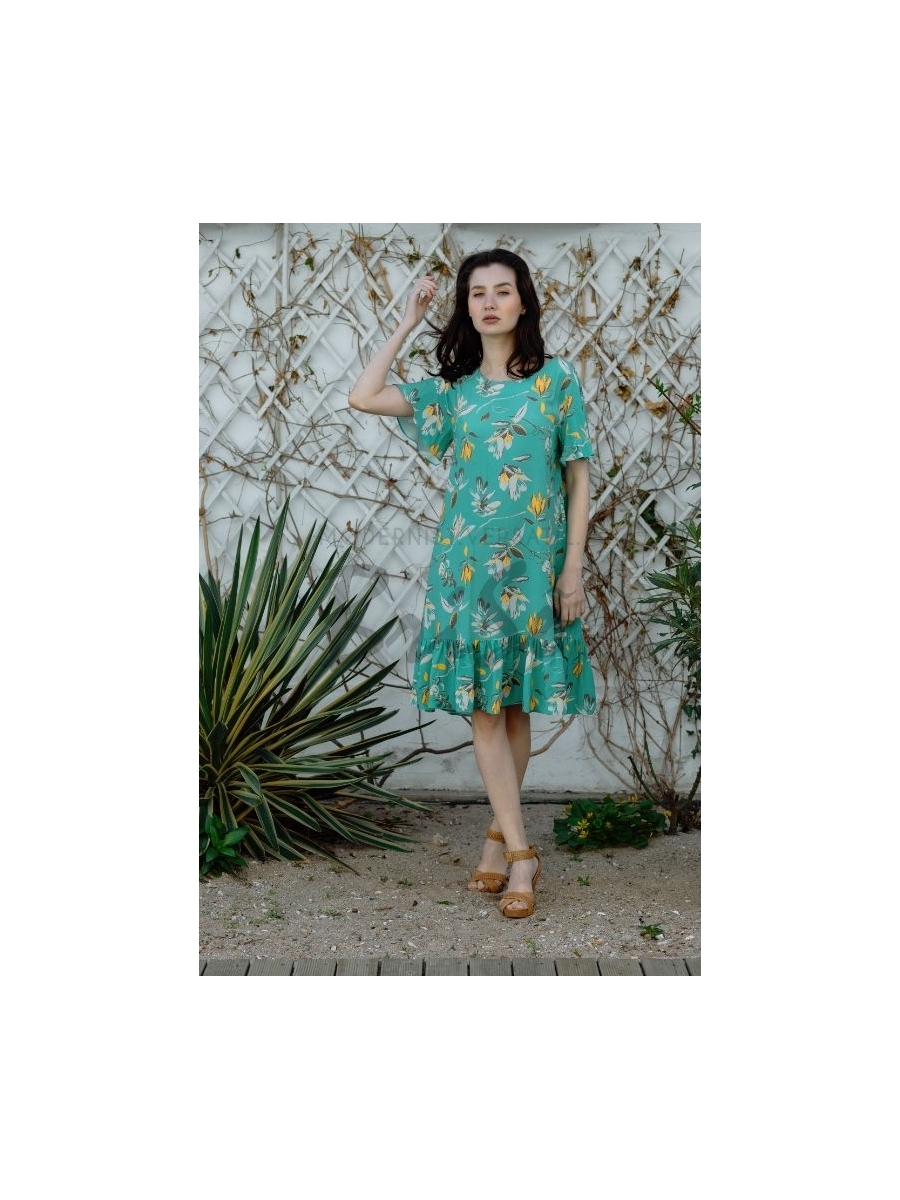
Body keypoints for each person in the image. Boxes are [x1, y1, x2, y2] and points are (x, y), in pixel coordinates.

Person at [349, 248, 595, 918]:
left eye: (502, 290)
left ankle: (494, 842)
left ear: (524, 302)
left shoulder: (556, 382)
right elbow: (363, 395)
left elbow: (577, 477)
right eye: (477, 292)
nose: (489, 302)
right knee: (486, 708)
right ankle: (522, 856)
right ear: (466, 306)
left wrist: (573, 568)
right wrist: (407, 321)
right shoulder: (452, 391)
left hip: (536, 571)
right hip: (466, 574)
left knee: (515, 708)